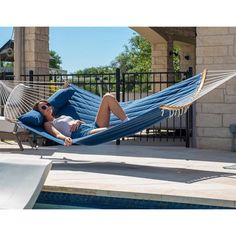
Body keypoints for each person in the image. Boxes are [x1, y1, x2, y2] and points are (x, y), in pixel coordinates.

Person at [33, 93, 129, 146]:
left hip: (91, 126)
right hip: (82, 134)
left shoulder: (60, 116)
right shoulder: (48, 124)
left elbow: (83, 122)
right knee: (107, 131)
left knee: (107, 97)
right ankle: (124, 128)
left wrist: (77, 121)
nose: (47, 107)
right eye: (43, 107)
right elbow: (57, 134)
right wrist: (65, 139)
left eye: (47, 104)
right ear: (40, 113)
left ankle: (126, 121)